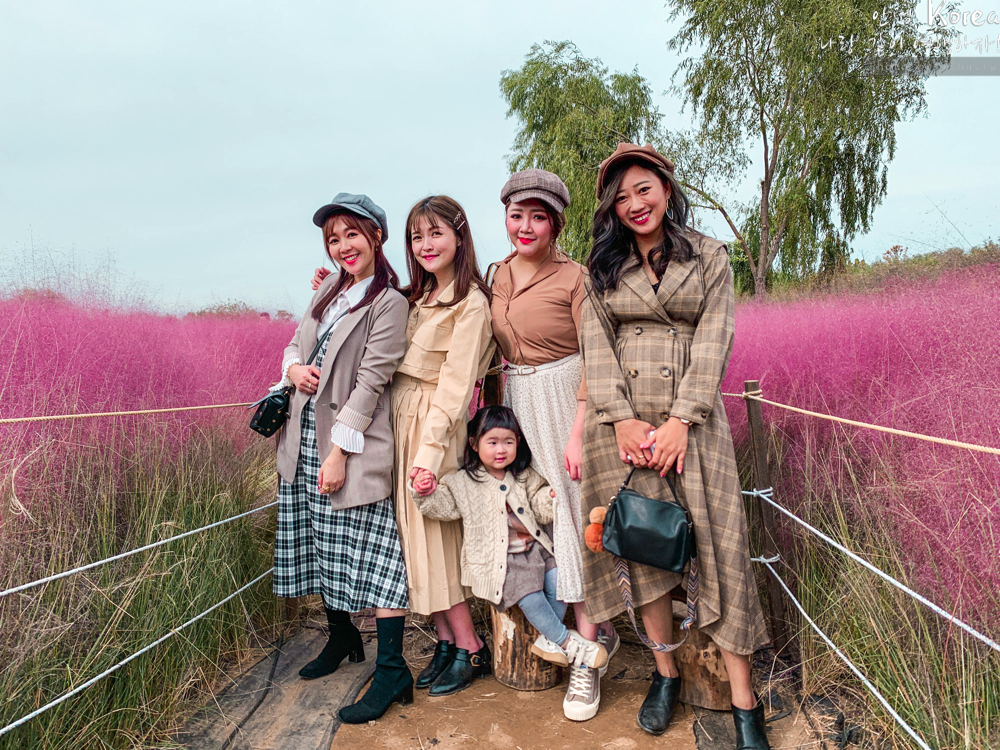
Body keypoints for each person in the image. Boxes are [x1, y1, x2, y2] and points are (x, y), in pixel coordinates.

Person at [579, 143, 771, 749]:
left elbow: (716, 336)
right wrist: (621, 421)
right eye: (621, 196)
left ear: (666, 188)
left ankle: (744, 703)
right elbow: (595, 344)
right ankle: (664, 675)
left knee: (720, 549)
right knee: (643, 548)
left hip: (694, 425)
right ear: (610, 207)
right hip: (625, 430)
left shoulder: (709, 255)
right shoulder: (601, 267)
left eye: (644, 189)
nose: (635, 203)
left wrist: (683, 420)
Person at [274, 193, 412, 725]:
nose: (343, 246)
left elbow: (372, 382)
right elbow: (294, 344)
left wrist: (337, 453)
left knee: (377, 555)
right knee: (320, 541)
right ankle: (341, 637)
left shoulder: (388, 302)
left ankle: (392, 669)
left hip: (349, 445)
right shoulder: (327, 290)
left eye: (352, 234)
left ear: (376, 235)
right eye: (334, 239)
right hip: (301, 438)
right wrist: (293, 371)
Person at [490, 169, 618, 721]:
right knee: (533, 516)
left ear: (555, 224)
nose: (525, 226)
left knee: (572, 516)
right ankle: (579, 631)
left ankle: (587, 657)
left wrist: (579, 428)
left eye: (538, 217)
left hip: (565, 399)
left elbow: (596, 353)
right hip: (517, 398)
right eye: (516, 214)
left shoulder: (575, 278)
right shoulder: (496, 274)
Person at [410, 405, 608, 671]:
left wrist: (549, 498)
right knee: (530, 596)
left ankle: (548, 638)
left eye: (508, 442)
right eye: (492, 442)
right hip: (502, 562)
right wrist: (423, 491)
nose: (501, 450)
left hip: (536, 550)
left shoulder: (524, 476)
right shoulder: (463, 482)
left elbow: (540, 507)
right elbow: (440, 507)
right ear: (474, 444)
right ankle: (565, 641)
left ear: (518, 443)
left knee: (560, 580)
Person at [392, 195, 497, 696]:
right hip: (400, 420)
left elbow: (456, 389)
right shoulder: (417, 298)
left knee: (436, 538)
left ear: (459, 235)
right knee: (413, 539)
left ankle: (471, 646)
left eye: (436, 233)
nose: (426, 244)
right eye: (417, 236)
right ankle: (446, 641)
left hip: (433, 424)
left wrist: (429, 456)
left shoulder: (470, 302)